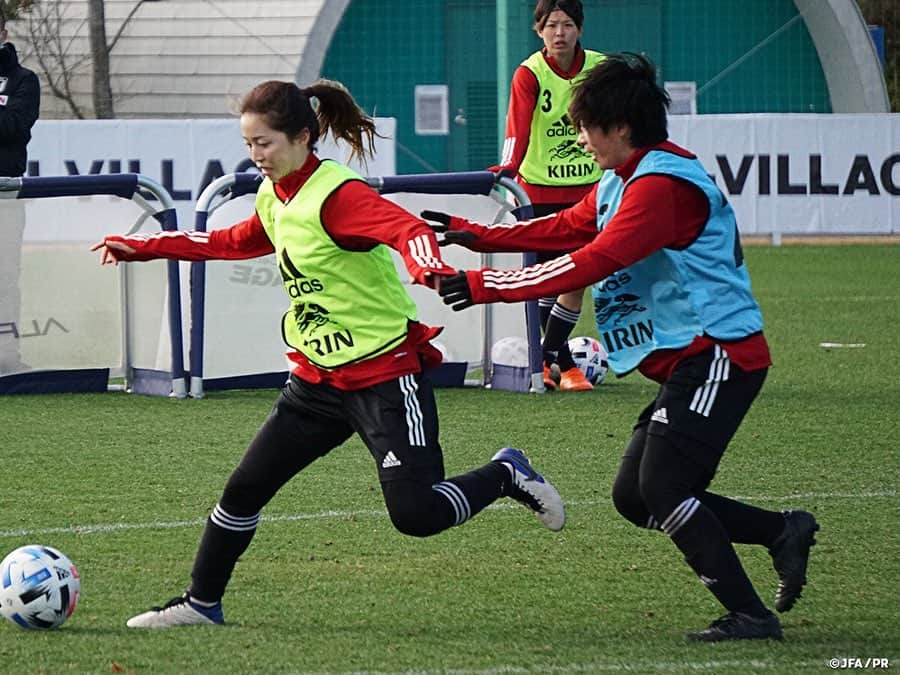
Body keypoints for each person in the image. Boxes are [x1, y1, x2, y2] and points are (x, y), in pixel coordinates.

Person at [91, 79, 565, 628]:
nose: (255, 156)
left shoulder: (339, 196)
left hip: (384, 377)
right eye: (248, 145)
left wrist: (427, 269)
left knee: (416, 515)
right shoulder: (276, 194)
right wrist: (144, 246)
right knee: (244, 489)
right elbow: (229, 242)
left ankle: (506, 474)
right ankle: (200, 603)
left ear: (302, 137)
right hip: (316, 382)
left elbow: (408, 229)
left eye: (264, 143)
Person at [426, 53, 819, 642]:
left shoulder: (660, 186)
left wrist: (484, 283)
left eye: (586, 126)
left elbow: (592, 259)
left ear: (623, 129)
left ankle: (751, 616)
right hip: (690, 356)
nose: (578, 137)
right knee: (636, 498)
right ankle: (781, 530)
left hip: (719, 353)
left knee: (661, 488)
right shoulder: (624, 178)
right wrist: (478, 234)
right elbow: (567, 227)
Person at [491, 0, 604, 391]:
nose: (560, 33)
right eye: (552, 25)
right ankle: (564, 366)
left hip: (589, 192)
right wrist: (505, 173)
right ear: (538, 30)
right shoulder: (529, 73)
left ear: (580, 29)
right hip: (537, 193)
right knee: (544, 279)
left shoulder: (601, 70)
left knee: (577, 278)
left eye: (568, 24)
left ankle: (550, 359)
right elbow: (516, 130)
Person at [0, 6, 40, 374]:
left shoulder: (23, 80)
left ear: (3, 34)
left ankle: (6, 357)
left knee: (4, 277)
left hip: (4, 198)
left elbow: (13, 127)